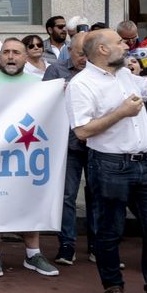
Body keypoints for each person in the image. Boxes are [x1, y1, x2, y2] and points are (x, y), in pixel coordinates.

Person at [66, 28, 147, 293]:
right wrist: (121, 113)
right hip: (109, 166)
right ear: (103, 50)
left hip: (145, 163)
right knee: (109, 232)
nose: (126, 45)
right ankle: (113, 287)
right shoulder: (81, 84)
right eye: (119, 42)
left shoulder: (125, 74)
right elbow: (81, 131)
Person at [0, 38, 59, 278]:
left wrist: (59, 93)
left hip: (27, 156)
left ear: (26, 57)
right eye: (6, 52)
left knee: (29, 201)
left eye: (16, 52)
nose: (10, 57)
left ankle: (33, 253)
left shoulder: (39, 84)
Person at [42, 32, 93, 267]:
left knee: (99, 196)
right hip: (68, 144)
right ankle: (67, 244)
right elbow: (43, 103)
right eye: (81, 53)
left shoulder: (99, 73)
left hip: (98, 144)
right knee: (67, 196)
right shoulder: (55, 71)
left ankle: (97, 245)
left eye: (88, 54)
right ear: (69, 50)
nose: (84, 58)